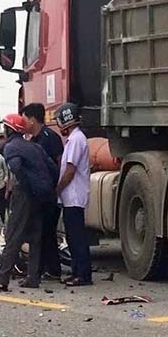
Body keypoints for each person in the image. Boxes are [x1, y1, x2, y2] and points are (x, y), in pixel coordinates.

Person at [0, 114, 54, 292]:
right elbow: (52, 167)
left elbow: (16, 168)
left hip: (23, 194)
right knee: (35, 237)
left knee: (13, 235)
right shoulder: (35, 146)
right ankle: (33, 277)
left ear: (9, 129)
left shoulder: (10, 147)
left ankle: (1, 279)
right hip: (40, 195)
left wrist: (24, 186)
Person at [21, 103, 64, 283]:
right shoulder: (32, 140)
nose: (23, 123)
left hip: (49, 193)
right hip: (37, 194)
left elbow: (60, 163)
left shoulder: (50, 137)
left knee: (47, 232)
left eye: (24, 119)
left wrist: (56, 189)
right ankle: (46, 268)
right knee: (40, 233)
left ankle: (53, 269)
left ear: (32, 119)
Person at [55, 103, 93, 286]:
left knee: (77, 237)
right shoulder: (73, 139)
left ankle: (83, 275)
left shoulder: (77, 139)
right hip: (71, 197)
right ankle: (77, 271)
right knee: (71, 236)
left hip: (74, 196)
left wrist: (57, 189)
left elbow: (70, 170)